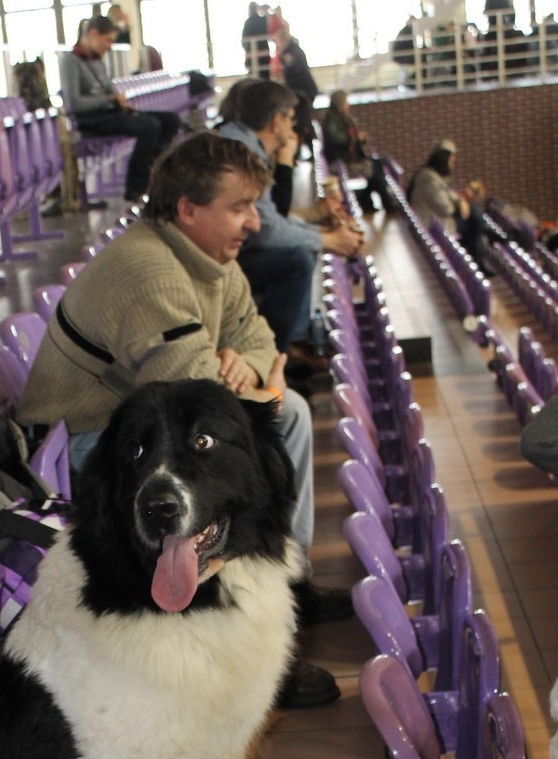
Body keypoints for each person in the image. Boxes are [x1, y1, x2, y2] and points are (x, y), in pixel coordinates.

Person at [18, 130, 354, 708]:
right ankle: (244, 630)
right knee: (275, 417)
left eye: (253, 206)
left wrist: (244, 366)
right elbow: (192, 391)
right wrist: (248, 376)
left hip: (145, 426)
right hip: (90, 446)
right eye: (239, 207)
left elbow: (258, 338)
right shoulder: (148, 269)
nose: (253, 223)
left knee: (287, 411)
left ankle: (281, 579)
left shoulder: (209, 258)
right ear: (187, 210)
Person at [219, 80, 363, 367]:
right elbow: (266, 230)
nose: (293, 127)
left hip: (232, 249)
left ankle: (288, 345)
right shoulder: (243, 152)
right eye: (290, 119)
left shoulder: (245, 144)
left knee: (299, 247)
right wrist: (329, 240)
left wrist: (322, 232)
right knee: (296, 259)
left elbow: (272, 218)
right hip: (221, 257)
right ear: (276, 121)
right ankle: (272, 358)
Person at [59, 15, 181, 202]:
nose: (109, 46)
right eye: (107, 40)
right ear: (93, 34)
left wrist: (119, 100)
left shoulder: (97, 60)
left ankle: (154, 170)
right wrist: (108, 98)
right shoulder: (71, 61)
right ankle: (135, 187)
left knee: (171, 120)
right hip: (92, 119)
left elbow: (109, 88)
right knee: (149, 126)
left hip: (110, 113)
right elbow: (73, 103)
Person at [407, 139, 490, 271]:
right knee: (474, 221)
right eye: (451, 160)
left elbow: (449, 194)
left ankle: (477, 259)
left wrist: (458, 199)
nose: (453, 163)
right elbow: (447, 208)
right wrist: (460, 201)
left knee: (473, 217)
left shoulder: (433, 175)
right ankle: (476, 260)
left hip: (437, 220)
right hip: (434, 223)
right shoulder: (428, 178)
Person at [322, 89, 396, 215]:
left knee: (377, 165)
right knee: (374, 171)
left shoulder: (342, 118)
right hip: (342, 160)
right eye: (346, 102)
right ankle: (382, 201)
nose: (348, 105)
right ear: (340, 103)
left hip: (349, 157)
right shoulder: (331, 120)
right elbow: (335, 139)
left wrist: (358, 139)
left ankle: (371, 200)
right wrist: (356, 138)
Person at [269, 19, 317, 157]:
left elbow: (295, 71)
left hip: (303, 92)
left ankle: (305, 150)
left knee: (303, 121)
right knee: (302, 120)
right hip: (299, 91)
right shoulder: (288, 51)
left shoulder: (292, 52)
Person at [242, 3, 270, 78]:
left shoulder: (248, 22)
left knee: (254, 77)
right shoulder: (263, 20)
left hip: (253, 54)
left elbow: (244, 40)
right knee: (265, 76)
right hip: (264, 54)